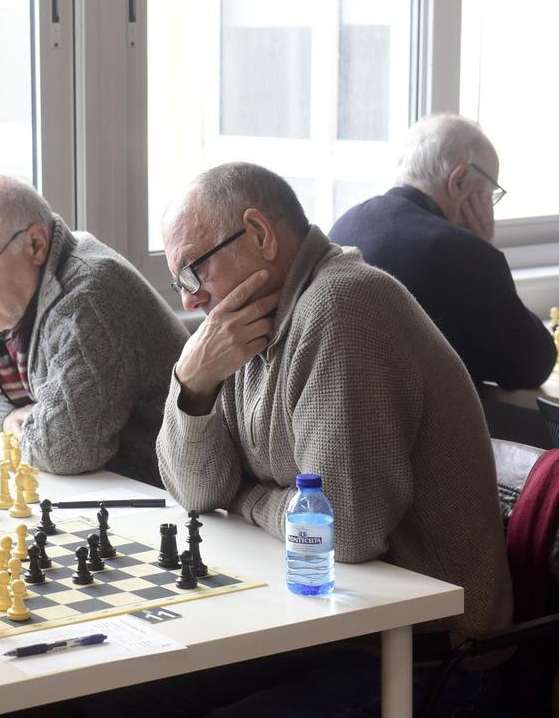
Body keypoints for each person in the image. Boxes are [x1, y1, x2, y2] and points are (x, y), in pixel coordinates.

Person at [129, 161, 512, 716]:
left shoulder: (342, 307)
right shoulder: (245, 328)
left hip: (428, 654)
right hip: (324, 623)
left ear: (259, 235)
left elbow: (345, 530)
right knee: (127, 695)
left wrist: (245, 498)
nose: (190, 300)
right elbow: (197, 491)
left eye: (193, 272)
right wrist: (195, 382)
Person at [0, 175, 188, 486]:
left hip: (165, 495)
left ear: (35, 245)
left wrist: (34, 425)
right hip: (99, 486)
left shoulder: (88, 298)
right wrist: (3, 416)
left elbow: (63, 450)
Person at [330, 113, 555, 389]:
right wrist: (482, 248)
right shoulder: (464, 254)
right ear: (459, 181)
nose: (489, 208)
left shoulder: (344, 226)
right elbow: (532, 364)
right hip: (425, 428)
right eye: (488, 195)